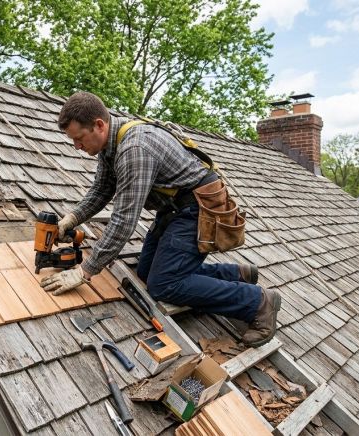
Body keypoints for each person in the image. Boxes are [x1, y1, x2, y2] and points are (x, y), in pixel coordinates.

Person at [40, 92, 280, 347]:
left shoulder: (135, 148)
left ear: (99, 124)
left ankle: (258, 301)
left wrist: (85, 272)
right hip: (174, 208)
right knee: (145, 271)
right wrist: (73, 218)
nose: (77, 146)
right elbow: (101, 190)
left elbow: (123, 220)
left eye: (79, 139)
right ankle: (235, 274)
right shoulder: (110, 145)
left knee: (164, 285)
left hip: (197, 208)